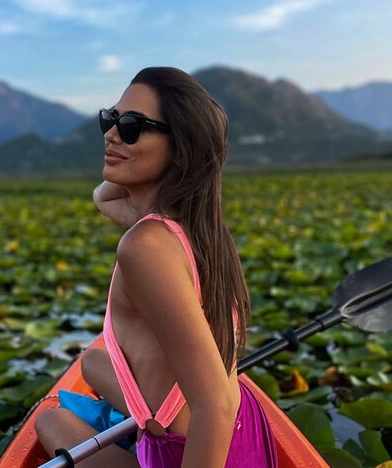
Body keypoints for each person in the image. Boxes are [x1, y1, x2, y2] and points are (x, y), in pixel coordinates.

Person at [36, 67, 277, 467]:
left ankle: (147, 425)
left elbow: (214, 404)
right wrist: (136, 153)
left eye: (131, 126)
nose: (110, 134)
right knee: (92, 361)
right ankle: (146, 418)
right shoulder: (198, 229)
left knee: (52, 423)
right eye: (109, 119)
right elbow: (103, 195)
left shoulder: (145, 246)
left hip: (190, 452)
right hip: (245, 427)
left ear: (180, 148)